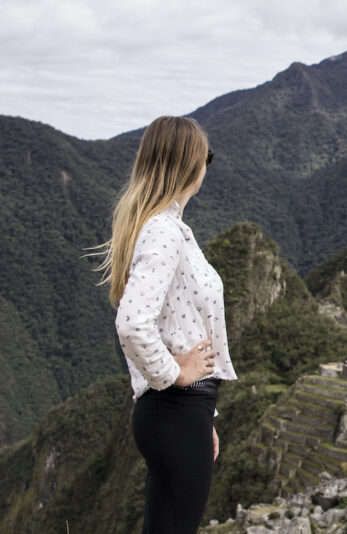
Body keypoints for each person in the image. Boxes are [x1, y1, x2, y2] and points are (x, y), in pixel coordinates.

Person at [94, 116, 237, 533]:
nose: (206, 166)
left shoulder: (163, 226)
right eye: (205, 157)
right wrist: (176, 374)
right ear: (189, 163)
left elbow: (175, 323)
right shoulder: (164, 232)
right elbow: (133, 324)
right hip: (176, 408)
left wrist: (204, 418)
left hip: (179, 413)